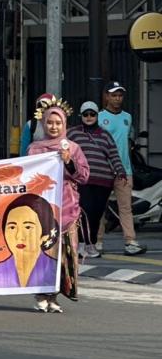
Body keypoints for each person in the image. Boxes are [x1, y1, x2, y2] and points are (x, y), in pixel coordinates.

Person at [25, 99, 89, 313]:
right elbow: (27, 176)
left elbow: (84, 175)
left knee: (65, 254)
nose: (53, 126)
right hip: (43, 208)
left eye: (58, 123)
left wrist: (69, 161)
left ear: (65, 125)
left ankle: (56, 295)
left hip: (68, 207)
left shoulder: (72, 148)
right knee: (45, 251)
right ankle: (42, 293)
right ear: (43, 123)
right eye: (50, 122)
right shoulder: (35, 149)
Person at [68, 101, 125, 258]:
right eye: (85, 114)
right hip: (82, 181)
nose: (89, 117)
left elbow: (113, 155)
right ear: (81, 116)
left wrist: (120, 171)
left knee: (96, 214)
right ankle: (80, 243)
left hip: (104, 181)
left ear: (97, 116)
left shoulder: (105, 135)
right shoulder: (72, 133)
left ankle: (90, 244)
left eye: (92, 114)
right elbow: (61, 149)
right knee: (84, 212)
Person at [98, 81, 147, 255]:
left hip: (124, 170)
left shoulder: (127, 117)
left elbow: (129, 139)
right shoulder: (98, 117)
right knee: (100, 208)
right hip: (103, 170)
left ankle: (130, 241)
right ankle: (97, 243)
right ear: (106, 96)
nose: (117, 99)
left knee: (126, 208)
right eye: (114, 95)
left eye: (120, 95)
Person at [0, 194, 62, 291]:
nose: (19, 236)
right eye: (12, 227)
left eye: (28, 227)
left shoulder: (56, 271)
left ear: (44, 235)